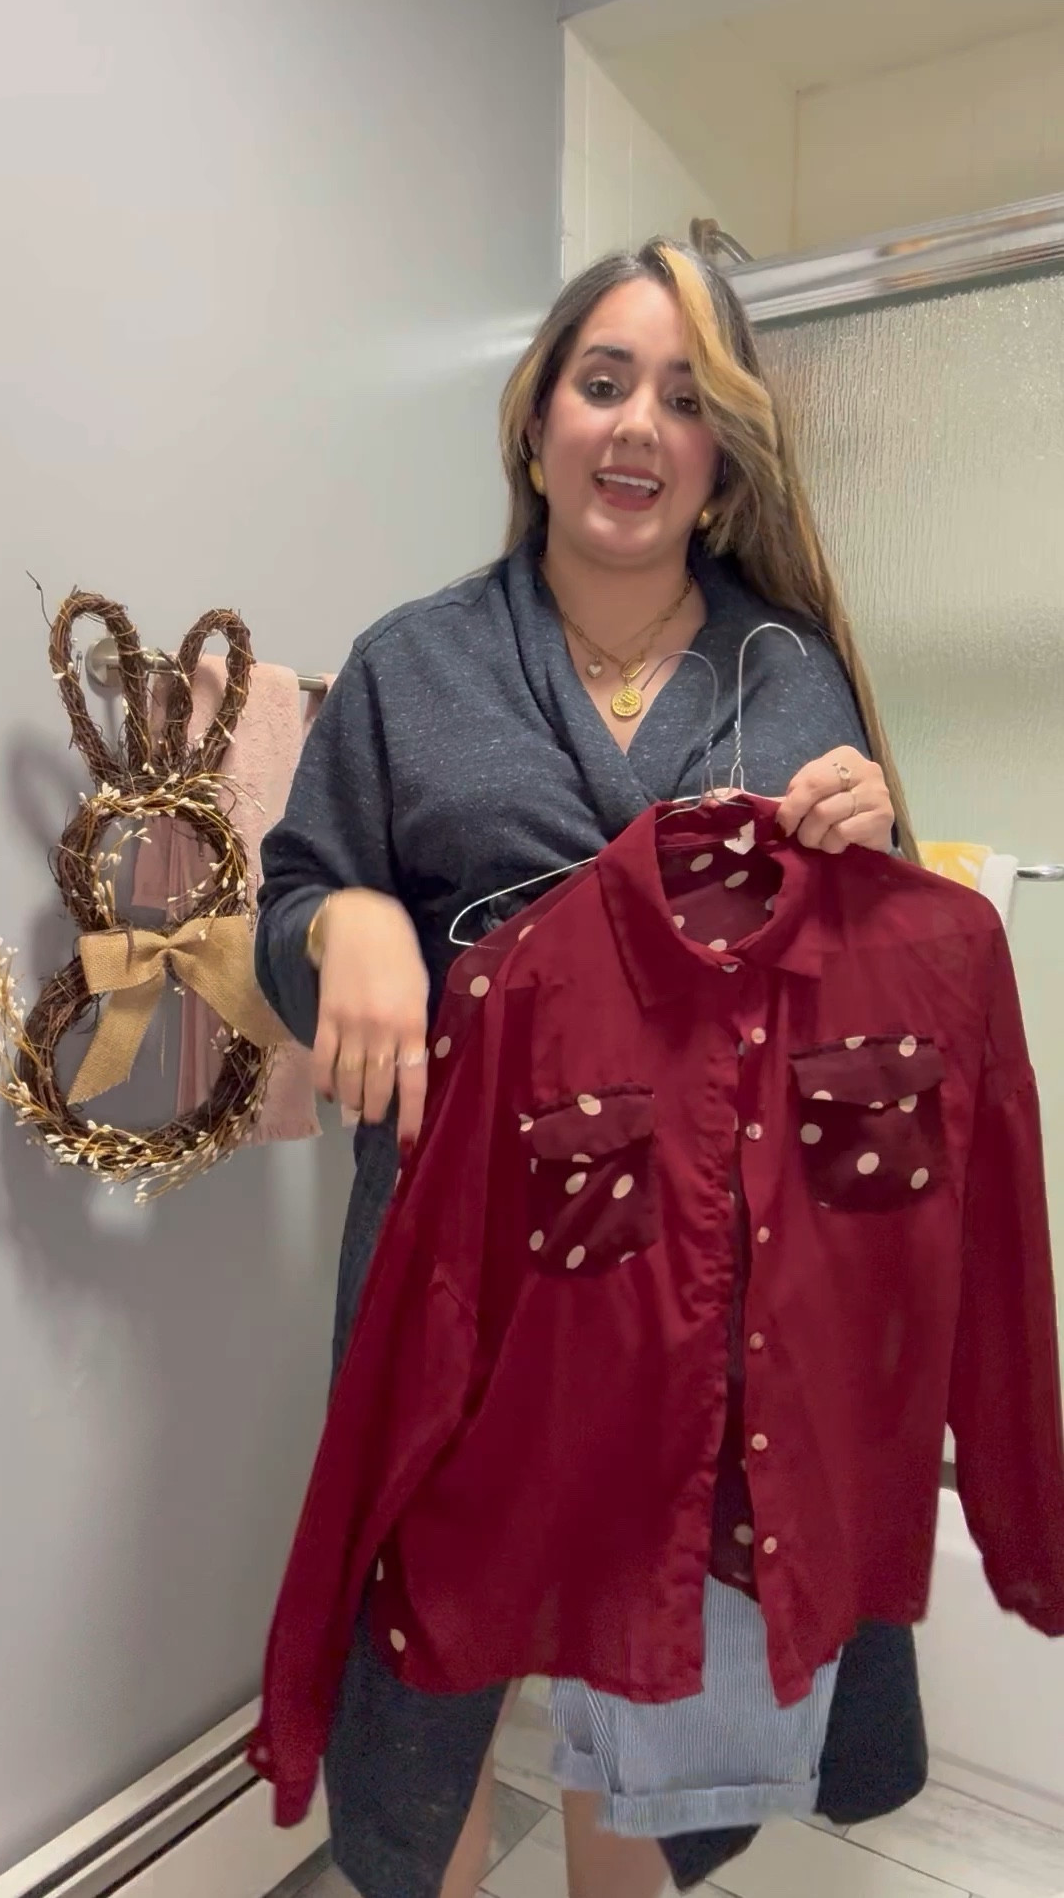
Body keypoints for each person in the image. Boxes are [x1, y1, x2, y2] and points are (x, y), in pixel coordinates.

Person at [256, 238, 911, 1898]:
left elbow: (852, 1030)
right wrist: (345, 925)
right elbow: (290, 892)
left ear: (720, 460)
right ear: (534, 419)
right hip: (459, 1266)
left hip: (705, 1280)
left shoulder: (788, 674)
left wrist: (862, 863)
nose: (636, 427)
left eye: (685, 401)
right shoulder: (413, 665)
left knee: (653, 1673)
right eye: (602, 381)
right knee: (433, 1673)